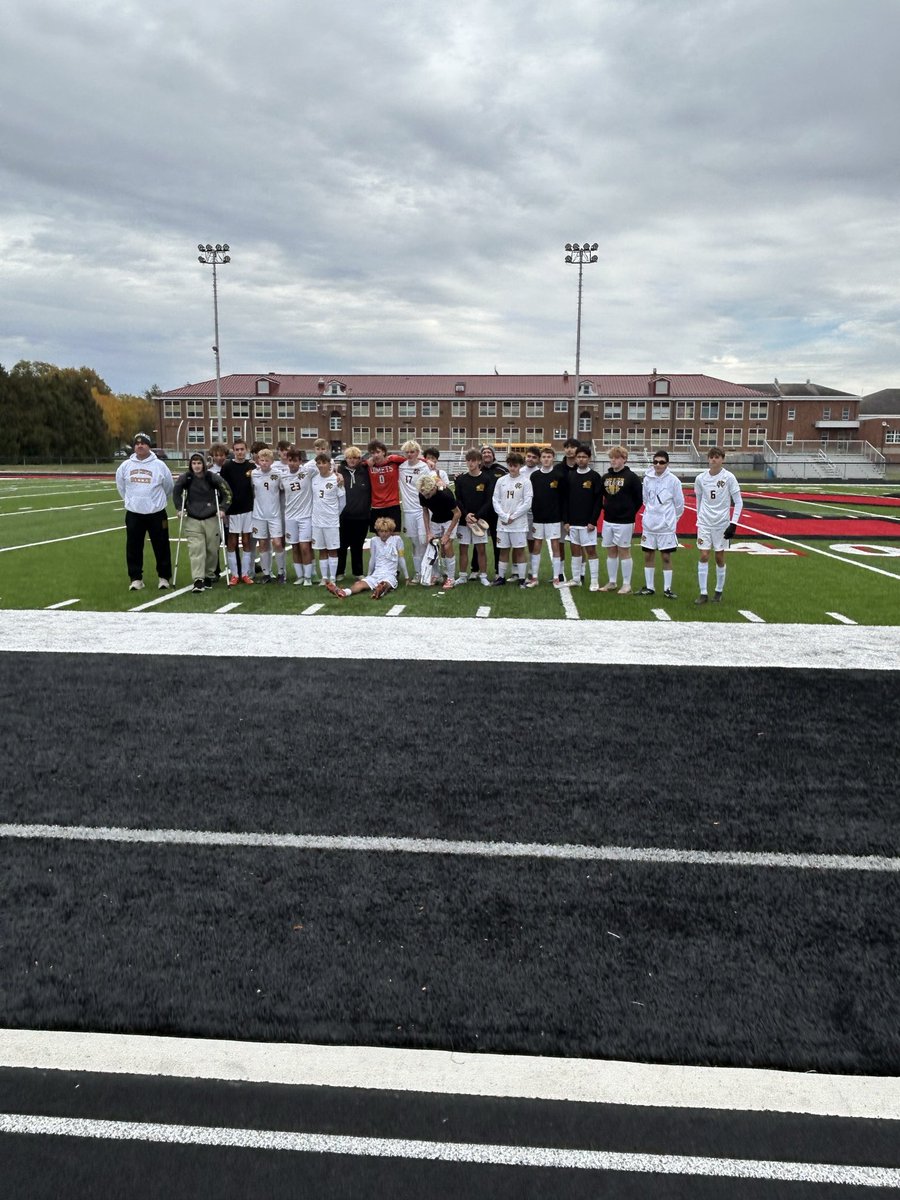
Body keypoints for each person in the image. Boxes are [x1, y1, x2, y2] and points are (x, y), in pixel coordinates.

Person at [115, 432, 174, 591]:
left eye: (144, 443)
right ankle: (135, 579)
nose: (140, 446)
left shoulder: (159, 465)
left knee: (161, 546)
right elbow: (121, 485)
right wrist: (131, 501)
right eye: (137, 443)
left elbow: (168, 486)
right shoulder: (126, 466)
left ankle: (164, 577)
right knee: (133, 546)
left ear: (149, 446)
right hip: (134, 513)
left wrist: (157, 502)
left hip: (156, 512)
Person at [172, 453, 233, 592]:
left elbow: (227, 492)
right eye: (194, 463)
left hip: (211, 517)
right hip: (193, 518)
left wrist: (223, 508)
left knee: (212, 549)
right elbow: (176, 492)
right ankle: (198, 579)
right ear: (190, 465)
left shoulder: (212, 477)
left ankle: (209, 575)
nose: (196, 466)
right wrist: (179, 507)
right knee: (196, 549)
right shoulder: (186, 478)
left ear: (204, 464)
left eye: (199, 463)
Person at [694, 447, 743, 604]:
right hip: (705, 523)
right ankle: (703, 593)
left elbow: (739, 502)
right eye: (711, 457)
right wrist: (699, 517)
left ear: (723, 459)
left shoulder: (729, 478)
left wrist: (733, 523)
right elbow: (699, 500)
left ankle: (719, 590)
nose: (714, 460)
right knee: (703, 555)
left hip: (722, 523)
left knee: (719, 557)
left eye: (717, 457)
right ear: (708, 459)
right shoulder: (700, 478)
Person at [636, 450, 684, 600]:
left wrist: (670, 521)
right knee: (648, 555)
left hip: (666, 527)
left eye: (661, 462)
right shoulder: (648, 479)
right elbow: (645, 500)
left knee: (666, 557)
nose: (658, 465)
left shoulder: (674, 481)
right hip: (649, 526)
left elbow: (679, 505)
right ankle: (649, 587)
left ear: (667, 464)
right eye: (655, 462)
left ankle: (667, 589)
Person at [598, 445, 643, 595]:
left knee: (624, 551)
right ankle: (612, 582)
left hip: (624, 521)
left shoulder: (632, 477)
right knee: (610, 550)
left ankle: (626, 584)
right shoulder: (605, 477)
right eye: (612, 457)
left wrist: (628, 513)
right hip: (608, 520)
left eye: (617, 458)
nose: (613, 460)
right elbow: (604, 497)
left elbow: (638, 500)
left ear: (624, 459)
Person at [325, 516, 406, 599]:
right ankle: (344, 592)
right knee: (359, 584)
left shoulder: (397, 540)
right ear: (377, 531)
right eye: (381, 531)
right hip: (377, 573)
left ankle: (380, 590)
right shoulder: (374, 541)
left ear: (391, 531)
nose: (384, 534)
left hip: (390, 574)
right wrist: (368, 575)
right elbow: (373, 559)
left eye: (386, 531)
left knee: (385, 583)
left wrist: (406, 577)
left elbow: (401, 558)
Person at [562, 444, 603, 590]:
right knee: (575, 551)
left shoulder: (594, 476)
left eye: (584, 457)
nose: (581, 459)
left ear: (589, 459)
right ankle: (576, 579)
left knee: (591, 551)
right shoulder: (570, 475)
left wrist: (593, 521)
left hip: (587, 523)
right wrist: (566, 521)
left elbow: (598, 501)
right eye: (578, 457)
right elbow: (565, 499)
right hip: (573, 523)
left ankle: (594, 581)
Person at [491, 451, 533, 587]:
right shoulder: (501, 481)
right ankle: (501, 577)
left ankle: (522, 579)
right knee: (503, 550)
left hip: (518, 524)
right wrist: (504, 516)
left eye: (515, 465)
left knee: (519, 550)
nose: (512, 468)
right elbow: (495, 500)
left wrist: (513, 517)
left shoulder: (526, 482)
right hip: (503, 523)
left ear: (520, 466)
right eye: (510, 465)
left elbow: (527, 503)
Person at [454, 448, 495, 586]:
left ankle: (483, 576)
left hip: (480, 520)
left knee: (481, 549)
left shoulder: (487, 479)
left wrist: (477, 516)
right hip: (464, 520)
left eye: (473, 460)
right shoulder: (460, 479)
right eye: (468, 460)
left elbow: (488, 501)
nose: (470, 463)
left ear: (479, 462)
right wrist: (466, 515)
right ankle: (463, 576)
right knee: (463, 548)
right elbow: (458, 500)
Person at [527, 446, 567, 587]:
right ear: (540, 459)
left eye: (549, 457)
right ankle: (535, 577)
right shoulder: (535, 476)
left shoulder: (559, 476)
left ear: (553, 459)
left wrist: (564, 517)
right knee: (536, 545)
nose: (546, 459)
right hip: (538, 517)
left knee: (555, 545)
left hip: (554, 518)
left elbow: (563, 498)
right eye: (544, 457)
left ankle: (556, 577)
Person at [220, 438, 256, 585]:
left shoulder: (252, 466)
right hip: (232, 510)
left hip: (248, 509)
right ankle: (234, 574)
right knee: (232, 541)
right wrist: (224, 508)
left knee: (247, 540)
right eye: (237, 450)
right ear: (233, 451)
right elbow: (222, 488)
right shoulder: (227, 466)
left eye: (242, 449)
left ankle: (245, 574)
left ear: (246, 450)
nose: (240, 452)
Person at [398, 440, 434, 582]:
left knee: (424, 541)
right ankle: (418, 572)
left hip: (422, 509)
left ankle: (428, 571)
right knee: (414, 543)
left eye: (412, 452)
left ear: (417, 453)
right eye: (407, 452)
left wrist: (426, 460)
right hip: (408, 510)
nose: (409, 454)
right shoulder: (401, 467)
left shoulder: (424, 467)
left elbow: (429, 485)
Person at [418, 473, 461, 589]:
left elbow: (457, 513)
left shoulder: (445, 494)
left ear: (433, 488)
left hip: (450, 519)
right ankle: (436, 575)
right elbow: (425, 511)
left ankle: (451, 578)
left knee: (446, 546)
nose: (426, 497)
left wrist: (447, 534)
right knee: (432, 545)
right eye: (424, 494)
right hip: (436, 519)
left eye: (428, 494)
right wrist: (428, 532)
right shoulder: (422, 494)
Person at [251, 448, 286, 583]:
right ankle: (266, 573)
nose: (264, 463)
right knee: (263, 543)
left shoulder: (278, 474)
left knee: (277, 542)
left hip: (274, 515)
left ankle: (281, 572)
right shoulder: (254, 474)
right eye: (262, 460)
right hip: (258, 515)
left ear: (272, 461)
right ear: (258, 461)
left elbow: (284, 490)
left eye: (267, 460)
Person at [336, 446, 372, 579]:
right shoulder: (339, 471)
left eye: (355, 458)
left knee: (357, 545)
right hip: (343, 515)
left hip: (362, 515)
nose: (352, 460)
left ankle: (358, 572)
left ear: (360, 459)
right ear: (345, 459)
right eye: (349, 458)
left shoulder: (366, 471)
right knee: (341, 545)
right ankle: (340, 572)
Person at [311, 452, 346, 585]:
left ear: (329, 464)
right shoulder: (314, 479)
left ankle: (332, 577)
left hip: (331, 521)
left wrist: (334, 515)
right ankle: (324, 578)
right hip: (317, 521)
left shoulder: (336, 480)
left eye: (323, 463)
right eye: (318, 463)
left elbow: (342, 501)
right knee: (321, 549)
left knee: (332, 549)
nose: (321, 465)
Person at [479, 445, 508, 573]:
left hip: (497, 513)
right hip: (481, 512)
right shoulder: (477, 469)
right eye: (484, 452)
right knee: (478, 542)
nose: (486, 454)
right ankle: (476, 570)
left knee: (498, 542)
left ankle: (498, 571)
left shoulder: (502, 471)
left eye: (489, 452)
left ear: (493, 455)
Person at [366, 440, 405, 531]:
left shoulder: (394, 461)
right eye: (373, 453)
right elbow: (356, 463)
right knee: (379, 537)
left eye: (378, 452)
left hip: (392, 505)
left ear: (383, 452)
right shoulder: (368, 466)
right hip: (376, 506)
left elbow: (412, 460)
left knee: (394, 536)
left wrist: (426, 460)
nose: (376, 455)